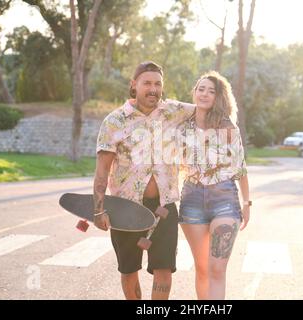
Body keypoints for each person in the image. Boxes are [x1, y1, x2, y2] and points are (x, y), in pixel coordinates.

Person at [93, 61, 195, 300]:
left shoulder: (173, 112)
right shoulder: (114, 121)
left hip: (164, 208)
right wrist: (98, 210)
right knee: (129, 270)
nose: (153, 89)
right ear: (134, 85)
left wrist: (217, 90)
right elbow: (102, 171)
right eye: (147, 83)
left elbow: (207, 105)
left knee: (164, 268)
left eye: (158, 84)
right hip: (125, 208)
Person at [178, 71, 251, 300]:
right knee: (202, 269)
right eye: (201, 89)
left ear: (219, 97)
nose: (205, 94)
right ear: (194, 92)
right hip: (191, 200)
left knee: (217, 269)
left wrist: (247, 202)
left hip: (224, 199)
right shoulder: (182, 126)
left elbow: (240, 168)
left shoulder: (228, 128)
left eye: (211, 91)